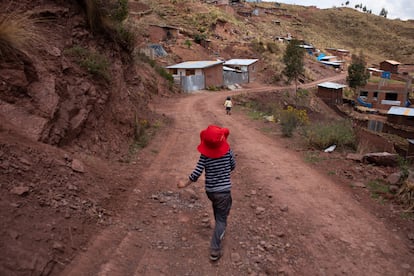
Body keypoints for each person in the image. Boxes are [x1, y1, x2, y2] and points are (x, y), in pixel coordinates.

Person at [177, 125, 236, 261]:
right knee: (222, 217)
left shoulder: (205, 155)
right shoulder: (228, 151)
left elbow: (197, 173)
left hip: (211, 191)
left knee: (218, 209)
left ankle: (219, 227)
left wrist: (184, 183)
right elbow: (233, 166)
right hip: (224, 191)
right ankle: (215, 249)